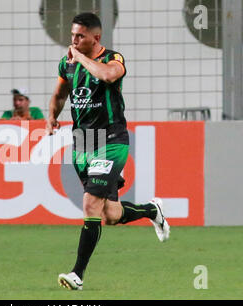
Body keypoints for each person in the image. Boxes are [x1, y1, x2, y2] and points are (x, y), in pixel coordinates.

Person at [45, 13, 170, 291]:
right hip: (83, 142)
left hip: (111, 140)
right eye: (73, 35)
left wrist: (80, 58)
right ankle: (152, 210)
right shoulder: (67, 64)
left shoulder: (113, 58)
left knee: (90, 204)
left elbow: (106, 75)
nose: (73, 40)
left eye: (80, 36)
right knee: (110, 215)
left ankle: (77, 274)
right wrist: (51, 115)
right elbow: (60, 94)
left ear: (96, 38)